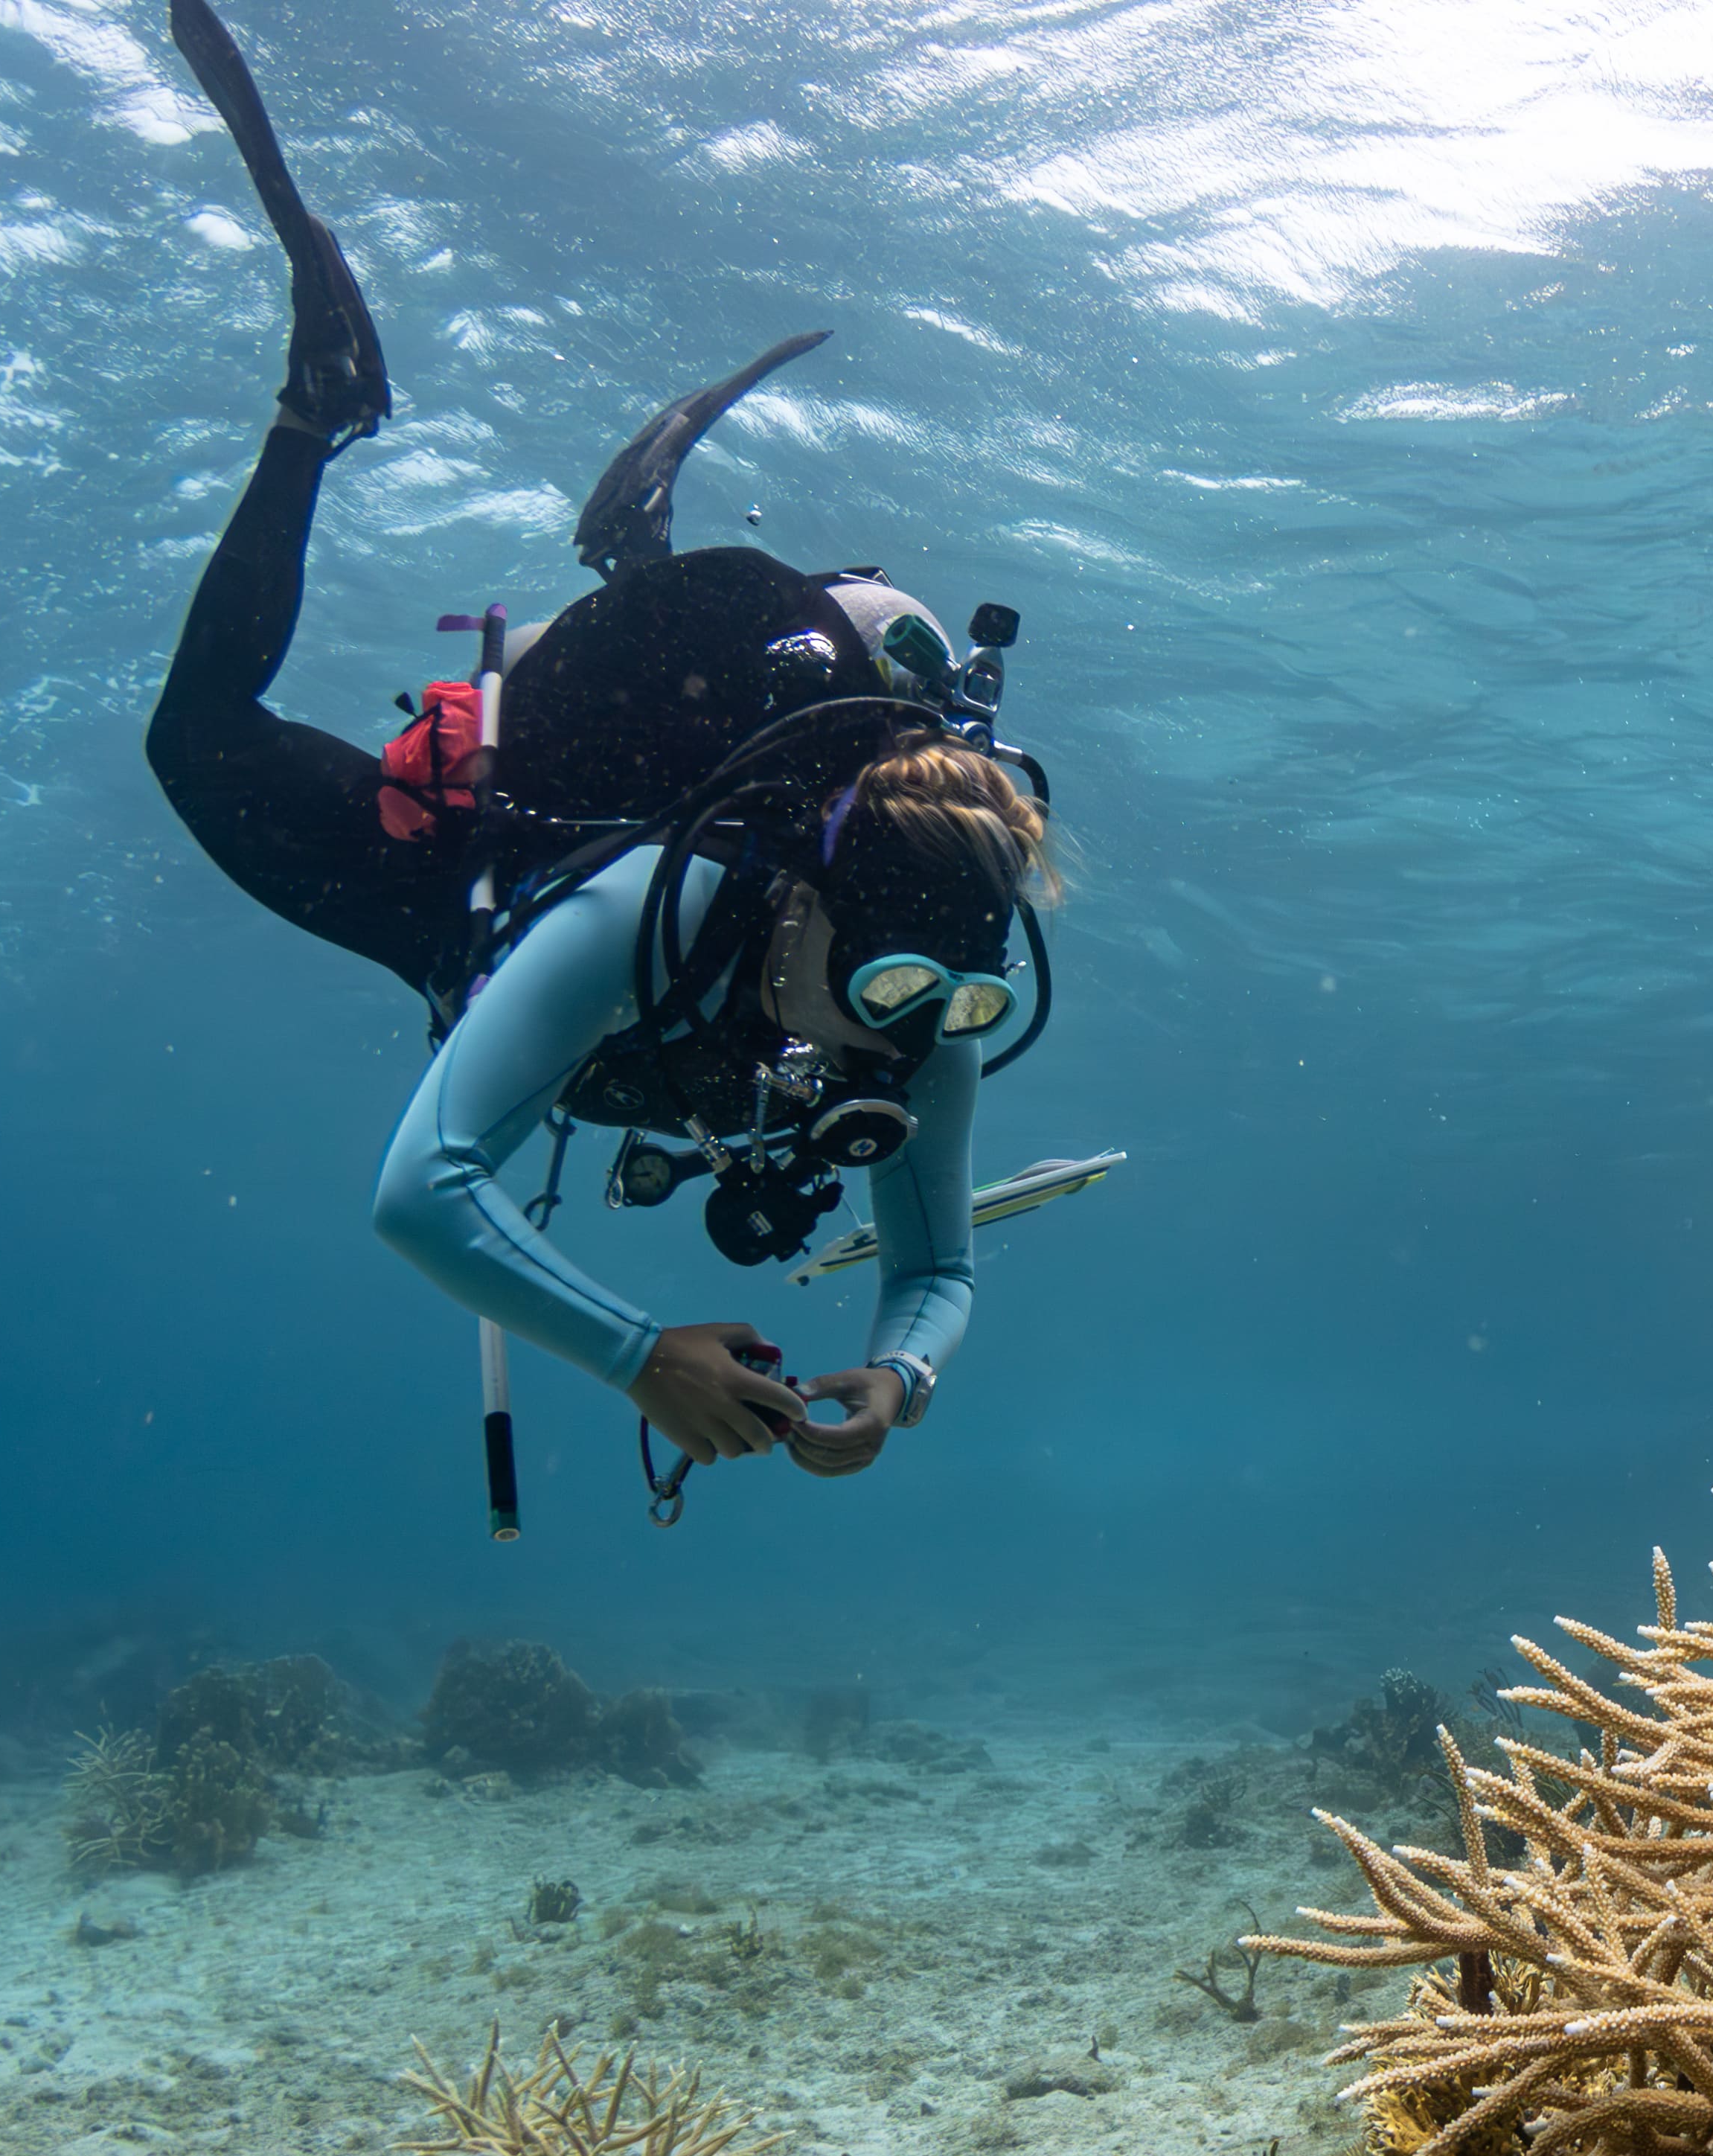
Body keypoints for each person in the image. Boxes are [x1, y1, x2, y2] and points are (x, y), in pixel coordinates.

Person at [144, 0, 1054, 1487]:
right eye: (890, 985)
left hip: (658, 959)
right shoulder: (664, 911)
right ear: (811, 897)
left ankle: (634, 546)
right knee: (194, 738)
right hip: (467, 896)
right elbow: (420, 1193)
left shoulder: (929, 994)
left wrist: (898, 1380)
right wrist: (642, 1355)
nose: (906, 1030)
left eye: (952, 1002)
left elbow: (937, 1267)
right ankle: (321, 411)